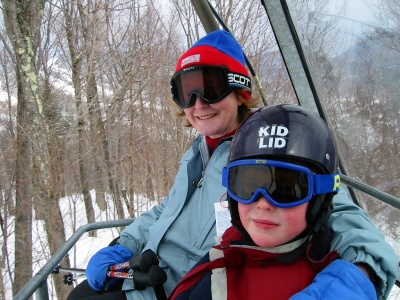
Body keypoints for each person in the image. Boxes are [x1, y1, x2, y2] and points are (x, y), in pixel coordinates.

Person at [67, 30, 396, 300]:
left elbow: (346, 221)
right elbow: (166, 209)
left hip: (183, 289)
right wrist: (120, 247)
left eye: (211, 87)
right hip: (141, 276)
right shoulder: (198, 151)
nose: (198, 104)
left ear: (240, 91)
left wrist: (352, 283)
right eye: (187, 92)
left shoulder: (276, 152)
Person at [167, 104, 376, 300]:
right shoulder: (217, 271)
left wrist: (357, 277)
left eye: (286, 189)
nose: (264, 203)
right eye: (248, 185)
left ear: (320, 198)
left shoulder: (334, 260)